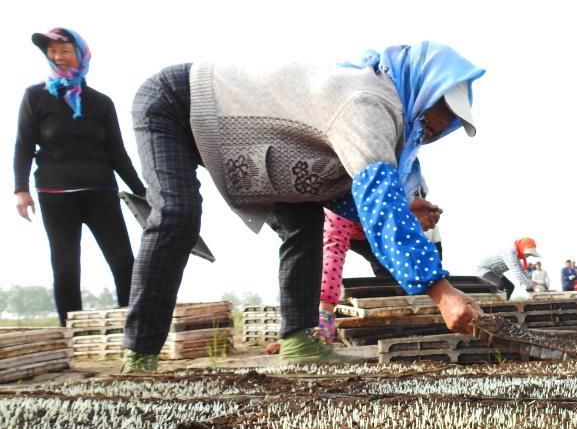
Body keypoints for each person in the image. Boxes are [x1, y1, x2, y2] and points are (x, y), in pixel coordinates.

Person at [120, 41, 485, 372]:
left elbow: (350, 196)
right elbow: (380, 204)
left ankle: (297, 340)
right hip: (178, 103)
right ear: (423, 87)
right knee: (176, 215)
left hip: (255, 145)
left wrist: (405, 209)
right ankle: (139, 353)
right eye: (442, 108)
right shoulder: (367, 103)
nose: (442, 124)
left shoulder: (384, 113)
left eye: (452, 120)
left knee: (304, 220)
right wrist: (442, 291)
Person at [13, 28, 146, 327]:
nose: (58, 57)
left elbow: (117, 153)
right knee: (66, 267)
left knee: (124, 262)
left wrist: (142, 191)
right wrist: (20, 189)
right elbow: (23, 144)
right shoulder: (35, 97)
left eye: (65, 50)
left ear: (81, 54)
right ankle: (70, 332)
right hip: (55, 194)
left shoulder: (101, 102)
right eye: (52, 51)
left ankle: (133, 330)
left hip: (100, 191)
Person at [315, 198, 442, 343]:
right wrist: (324, 314)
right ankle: (320, 324)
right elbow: (332, 254)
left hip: (387, 220)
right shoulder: (337, 210)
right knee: (324, 259)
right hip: (345, 215)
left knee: (396, 279)